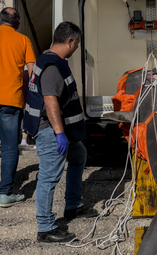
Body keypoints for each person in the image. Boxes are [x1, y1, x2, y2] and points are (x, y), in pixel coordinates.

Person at [23, 21, 97, 243]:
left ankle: (73, 205)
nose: (76, 49)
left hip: (61, 130)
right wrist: (59, 133)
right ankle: (45, 228)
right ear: (70, 41)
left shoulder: (49, 58)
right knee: (49, 177)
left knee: (79, 155)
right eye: (76, 44)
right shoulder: (53, 66)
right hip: (51, 131)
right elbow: (50, 100)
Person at [0, 7, 35, 207]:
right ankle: (5, 193)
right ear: (18, 24)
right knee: (9, 148)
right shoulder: (23, 40)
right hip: (10, 101)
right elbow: (32, 73)